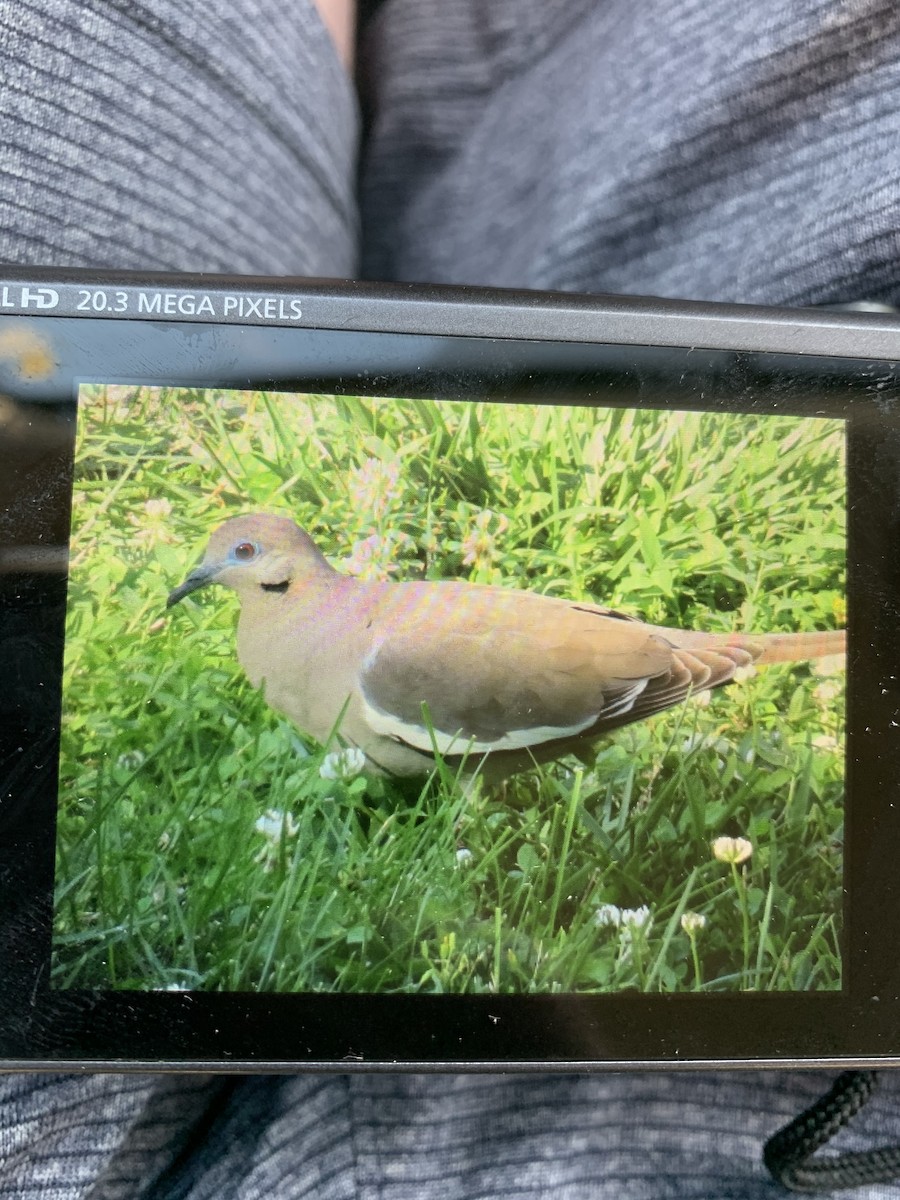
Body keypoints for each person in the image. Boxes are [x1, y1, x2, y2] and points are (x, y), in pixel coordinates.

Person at [2, 1, 900, 1195]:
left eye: (239, 555)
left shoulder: (388, 667)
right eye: (219, 558)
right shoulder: (307, 638)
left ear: (285, 567)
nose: (221, 574)